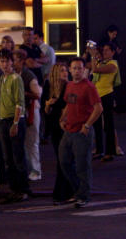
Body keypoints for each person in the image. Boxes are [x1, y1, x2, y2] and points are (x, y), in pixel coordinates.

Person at [58, 57, 102, 208]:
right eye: (74, 68)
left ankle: (83, 195)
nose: (77, 71)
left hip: (82, 132)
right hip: (69, 130)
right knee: (64, 161)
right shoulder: (69, 85)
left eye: (79, 68)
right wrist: (62, 119)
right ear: (70, 70)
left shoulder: (89, 87)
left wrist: (87, 125)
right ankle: (78, 191)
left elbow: (98, 108)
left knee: (82, 165)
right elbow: (68, 105)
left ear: (84, 70)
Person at [0, 50, 32, 203]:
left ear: (12, 62)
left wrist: (16, 123)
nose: (4, 64)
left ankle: (23, 189)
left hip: (14, 120)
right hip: (3, 120)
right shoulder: (2, 78)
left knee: (18, 157)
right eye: (2, 61)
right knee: (7, 158)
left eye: (7, 61)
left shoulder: (16, 79)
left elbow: (20, 102)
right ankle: (13, 189)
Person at [44, 61, 74, 204]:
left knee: (65, 159)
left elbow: (69, 104)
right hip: (54, 127)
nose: (65, 73)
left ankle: (65, 191)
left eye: (65, 70)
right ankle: (63, 191)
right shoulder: (48, 87)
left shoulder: (69, 86)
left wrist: (55, 105)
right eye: (62, 70)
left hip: (65, 126)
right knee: (61, 159)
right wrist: (49, 104)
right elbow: (45, 109)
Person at [90, 42, 119, 160]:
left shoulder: (113, 64)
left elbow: (95, 70)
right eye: (104, 50)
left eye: (108, 50)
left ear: (113, 52)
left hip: (106, 95)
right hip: (97, 95)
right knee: (96, 124)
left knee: (108, 124)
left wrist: (92, 56)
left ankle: (110, 152)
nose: (105, 52)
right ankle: (99, 150)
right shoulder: (102, 62)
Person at [18, 49, 42, 182]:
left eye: (14, 60)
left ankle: (36, 170)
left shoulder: (28, 75)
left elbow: (37, 94)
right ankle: (28, 168)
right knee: (23, 142)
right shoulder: (13, 75)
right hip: (20, 110)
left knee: (32, 141)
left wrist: (24, 93)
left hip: (31, 109)